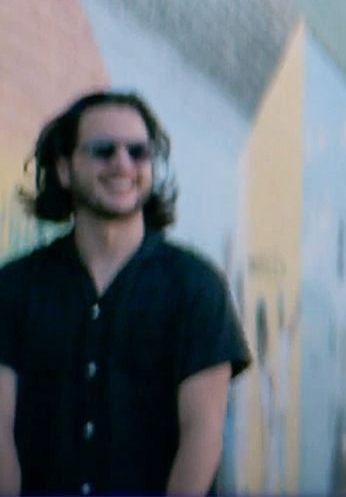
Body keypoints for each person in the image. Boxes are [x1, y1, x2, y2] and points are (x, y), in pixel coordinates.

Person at [0, 91, 252, 495]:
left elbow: (202, 437)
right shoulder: (14, 287)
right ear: (64, 169)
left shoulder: (196, 286)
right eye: (104, 150)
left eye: (138, 151)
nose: (123, 163)